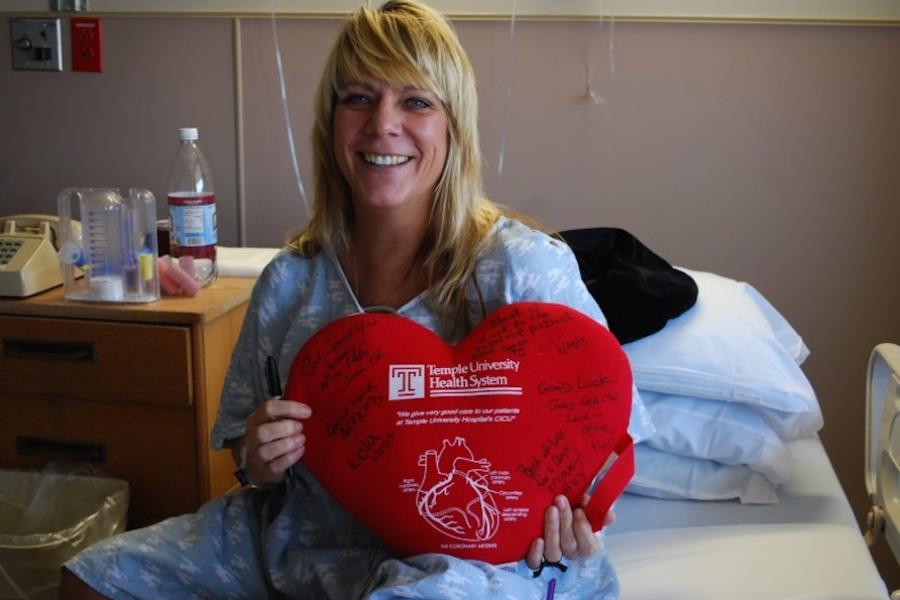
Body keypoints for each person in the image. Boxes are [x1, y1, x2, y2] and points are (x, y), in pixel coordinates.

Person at [61, 2, 651, 598]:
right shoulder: (290, 282)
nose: (382, 124)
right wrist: (258, 459)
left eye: (416, 102)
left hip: (475, 558)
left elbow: (602, 440)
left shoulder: (521, 269)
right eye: (359, 98)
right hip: (303, 540)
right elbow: (245, 454)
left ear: (453, 126)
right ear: (331, 121)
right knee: (89, 579)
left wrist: (577, 519)